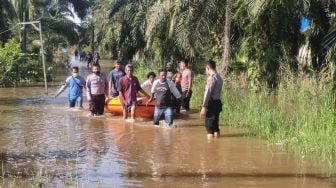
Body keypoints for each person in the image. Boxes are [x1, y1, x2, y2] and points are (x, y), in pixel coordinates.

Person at [200, 60, 223, 139]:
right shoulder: (219, 77)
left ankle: (209, 148)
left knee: (209, 128)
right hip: (217, 102)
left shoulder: (211, 78)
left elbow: (208, 93)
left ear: (208, 68)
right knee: (215, 127)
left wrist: (204, 106)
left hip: (211, 104)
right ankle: (216, 145)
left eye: (206, 69)